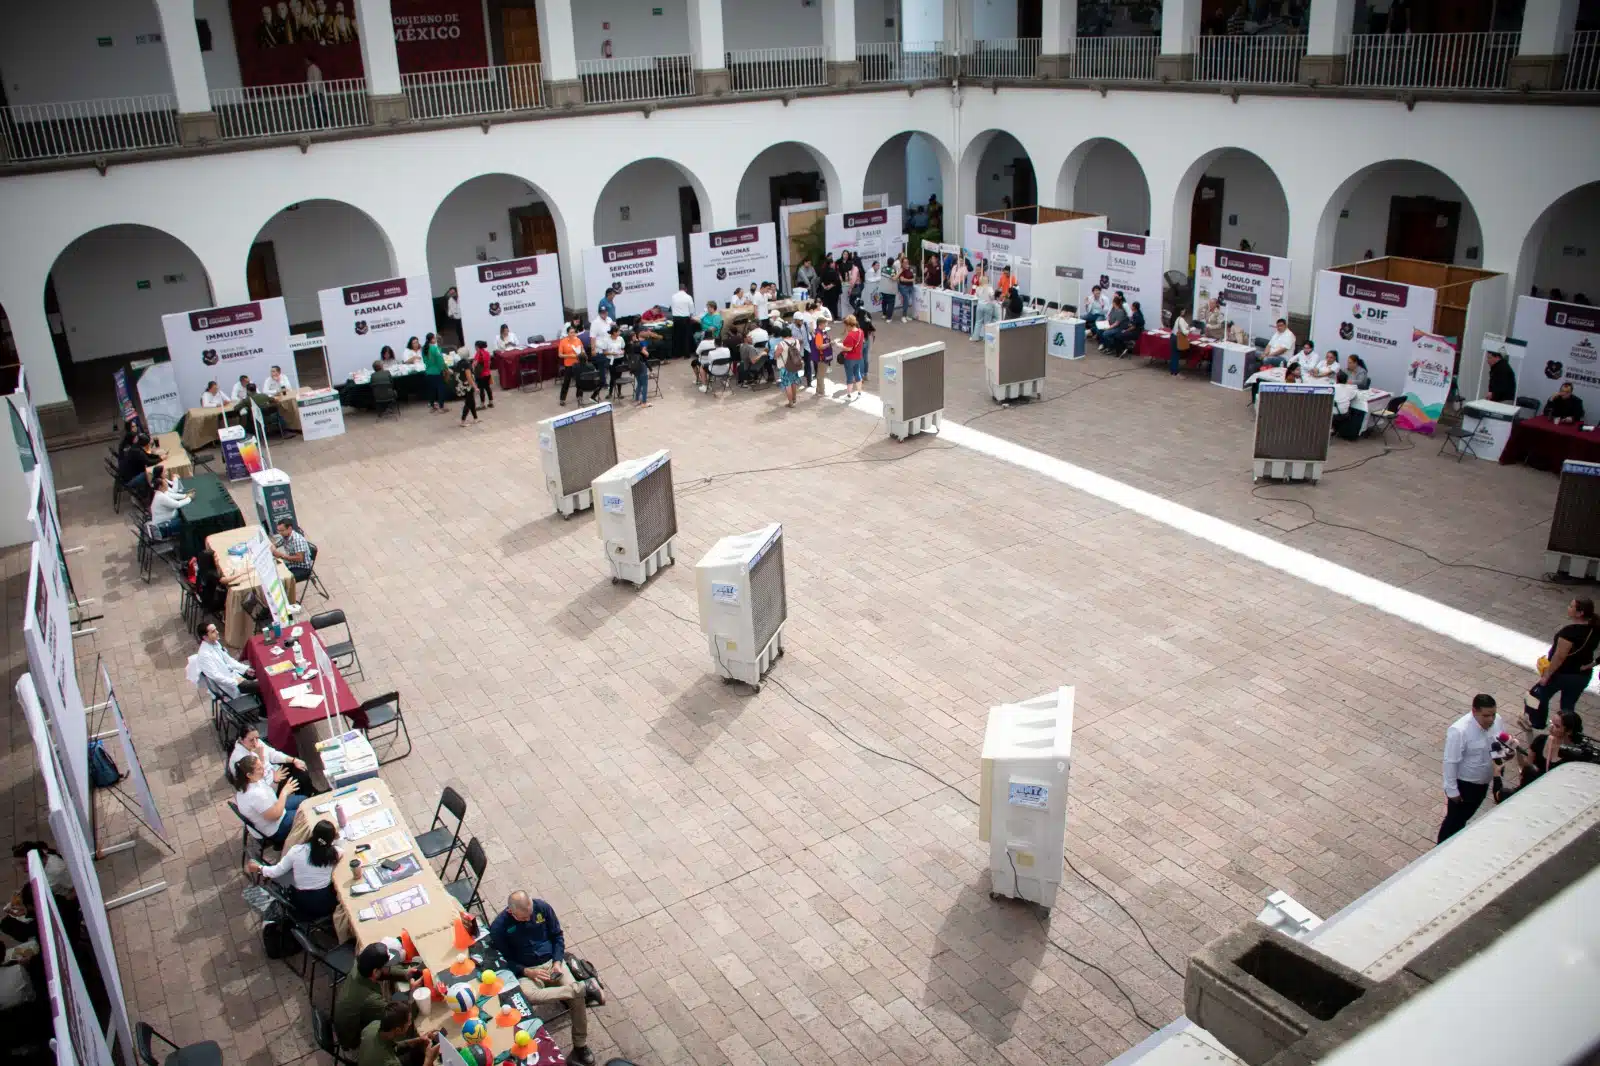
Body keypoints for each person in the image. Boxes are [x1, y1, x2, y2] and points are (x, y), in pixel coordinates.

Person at [489, 891, 602, 1066]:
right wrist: (526, 971)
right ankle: (584, 987)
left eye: (530, 914)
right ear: (511, 912)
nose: (528, 919)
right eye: (523, 918)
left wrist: (557, 961)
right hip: (527, 970)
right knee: (528, 996)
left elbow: (557, 935)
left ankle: (580, 1045)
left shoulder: (542, 907)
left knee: (577, 999)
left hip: (552, 962)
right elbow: (504, 959)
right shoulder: (499, 928)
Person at [1437, 694, 1503, 844]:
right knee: (1454, 821)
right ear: (1474, 711)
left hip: (1485, 780)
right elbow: (1450, 762)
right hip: (1466, 784)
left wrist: (1504, 756)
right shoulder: (1459, 731)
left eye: (1493, 714)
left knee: (1466, 816)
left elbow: (1497, 743)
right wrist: (1452, 790)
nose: (1491, 719)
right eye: (1486, 715)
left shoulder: (1497, 720)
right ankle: (1442, 847)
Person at [245, 818, 340, 920]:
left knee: (280, 880)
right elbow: (340, 848)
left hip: (304, 905)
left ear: (313, 833)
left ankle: (270, 914)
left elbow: (275, 872)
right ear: (331, 839)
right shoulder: (335, 853)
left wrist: (259, 868)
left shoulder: (296, 851)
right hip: (327, 904)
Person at [1525, 598, 1598, 731]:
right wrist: (1591, 665)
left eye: (1571, 606)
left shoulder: (1569, 632)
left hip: (1562, 674)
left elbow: (1559, 656)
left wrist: (1546, 675)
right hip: (1582, 676)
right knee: (1567, 707)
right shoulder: (1595, 629)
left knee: (1535, 696)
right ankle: (1570, 732)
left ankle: (1537, 723)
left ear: (1580, 613)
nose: (1568, 607)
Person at [335, 944, 422, 1050]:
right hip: (357, 1041)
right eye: (386, 965)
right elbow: (401, 1017)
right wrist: (412, 993)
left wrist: (405, 974)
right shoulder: (370, 999)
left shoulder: (359, 966)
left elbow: (382, 972)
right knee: (402, 1027)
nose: (389, 967)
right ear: (375, 971)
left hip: (350, 1023)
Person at [1497, 709, 1585, 801]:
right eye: (1551, 722)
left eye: (1557, 726)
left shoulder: (1574, 754)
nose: (1551, 727)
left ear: (1569, 731)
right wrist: (1517, 749)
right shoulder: (1541, 740)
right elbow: (1525, 768)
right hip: (1531, 789)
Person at [228, 753, 302, 847]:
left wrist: (275, 781)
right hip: (275, 828)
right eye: (259, 768)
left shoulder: (250, 782)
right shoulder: (255, 795)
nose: (263, 769)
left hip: (274, 808)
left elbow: (269, 793)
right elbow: (275, 816)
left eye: (261, 765)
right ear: (249, 775)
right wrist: (284, 792)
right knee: (306, 812)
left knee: (303, 800)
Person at [228, 723, 312, 793]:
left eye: (257, 738)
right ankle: (305, 797)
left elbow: (272, 754)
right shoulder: (240, 758)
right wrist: (274, 778)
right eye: (251, 740)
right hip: (267, 785)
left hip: (272, 772)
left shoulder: (256, 742)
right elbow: (256, 779)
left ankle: (310, 792)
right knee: (298, 779)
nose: (255, 742)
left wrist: (294, 760)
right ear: (241, 740)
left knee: (300, 768)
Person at [357, 1003, 440, 1066]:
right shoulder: (390, 1063)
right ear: (398, 1029)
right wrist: (429, 1059)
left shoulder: (374, 1025)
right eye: (409, 1022)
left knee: (418, 1051)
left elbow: (393, 1046)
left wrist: (419, 1039)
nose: (410, 1024)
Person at [196, 621, 258, 694]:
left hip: (234, 674)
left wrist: (245, 669)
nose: (217, 632)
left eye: (216, 629)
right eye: (213, 631)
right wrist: (236, 681)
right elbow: (216, 677)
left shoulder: (215, 643)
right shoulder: (204, 655)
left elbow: (229, 660)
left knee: (260, 672)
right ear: (205, 637)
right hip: (228, 685)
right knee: (262, 685)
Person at [1331, 371, 1365, 440]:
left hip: (1332, 413)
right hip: (1344, 414)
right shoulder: (1350, 388)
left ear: (1337, 379)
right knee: (1351, 408)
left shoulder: (1332, 388)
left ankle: (1333, 428)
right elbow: (1354, 396)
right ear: (1346, 380)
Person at [557, 325, 585, 406]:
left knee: (580, 381)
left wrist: (582, 353)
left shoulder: (578, 340)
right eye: (571, 332)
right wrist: (570, 356)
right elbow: (560, 355)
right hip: (568, 364)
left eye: (574, 332)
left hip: (578, 364)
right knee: (566, 382)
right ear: (568, 333)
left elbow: (582, 350)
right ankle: (562, 399)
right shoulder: (563, 341)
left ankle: (579, 397)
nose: (573, 334)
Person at [776, 327, 804, 409]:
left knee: (787, 385)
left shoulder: (781, 344)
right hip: (794, 365)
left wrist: (775, 354)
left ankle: (791, 403)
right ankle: (794, 399)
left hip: (785, 367)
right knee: (793, 382)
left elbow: (776, 355)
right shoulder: (796, 341)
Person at [839, 314, 866, 401]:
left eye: (846, 326)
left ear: (849, 325)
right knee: (857, 374)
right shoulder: (861, 331)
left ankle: (849, 395)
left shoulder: (850, 335)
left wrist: (839, 345)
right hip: (858, 357)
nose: (846, 328)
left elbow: (849, 348)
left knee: (849, 376)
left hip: (850, 358)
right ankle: (859, 393)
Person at [596, 324, 626, 399]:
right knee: (613, 376)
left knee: (619, 376)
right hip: (611, 359)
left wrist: (622, 352)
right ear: (614, 332)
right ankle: (610, 392)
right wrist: (611, 353)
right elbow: (604, 352)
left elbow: (623, 348)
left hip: (619, 358)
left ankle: (619, 392)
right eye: (618, 331)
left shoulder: (620, 338)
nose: (619, 332)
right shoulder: (607, 340)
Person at [420, 333, 447, 411]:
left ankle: (432, 405)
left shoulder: (424, 348)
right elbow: (440, 361)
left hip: (428, 372)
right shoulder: (435, 348)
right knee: (440, 389)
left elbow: (425, 361)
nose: (435, 339)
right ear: (431, 339)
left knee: (431, 389)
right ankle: (441, 407)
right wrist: (444, 369)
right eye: (434, 338)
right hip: (437, 372)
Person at [669, 284, 695, 362]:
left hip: (676, 318)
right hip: (685, 318)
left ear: (679, 289)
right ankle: (686, 354)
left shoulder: (673, 296)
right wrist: (691, 316)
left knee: (677, 336)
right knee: (686, 337)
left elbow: (672, 307)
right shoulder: (688, 297)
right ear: (685, 289)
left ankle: (677, 354)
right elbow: (691, 310)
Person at [970, 270, 998, 342]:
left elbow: (976, 296)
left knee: (978, 322)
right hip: (988, 306)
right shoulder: (989, 288)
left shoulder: (978, 288)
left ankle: (975, 337)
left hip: (979, 306)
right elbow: (992, 297)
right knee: (987, 323)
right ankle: (986, 339)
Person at [453, 356, 480, 425]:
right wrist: (475, 387)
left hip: (461, 386)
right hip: (467, 387)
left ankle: (475, 418)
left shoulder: (459, 363)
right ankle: (463, 421)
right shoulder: (467, 365)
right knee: (468, 403)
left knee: (472, 402)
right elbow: (469, 377)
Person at [304, 56, 327, 127]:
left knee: (319, 108)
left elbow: (318, 79)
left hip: (316, 92)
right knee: (317, 108)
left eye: (306, 60)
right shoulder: (311, 68)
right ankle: (321, 122)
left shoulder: (314, 68)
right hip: (314, 92)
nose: (305, 62)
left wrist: (315, 90)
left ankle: (324, 120)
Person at [471, 340, 494, 408]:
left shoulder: (478, 353)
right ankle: (491, 402)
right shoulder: (487, 353)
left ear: (477, 346)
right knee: (488, 388)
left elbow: (475, 363)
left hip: (481, 374)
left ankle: (482, 404)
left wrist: (473, 367)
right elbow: (489, 363)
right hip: (487, 373)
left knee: (481, 389)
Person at [896, 256, 916, 323]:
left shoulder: (910, 268)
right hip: (903, 287)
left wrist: (912, 279)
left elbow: (914, 277)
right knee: (906, 300)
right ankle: (903, 316)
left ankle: (906, 315)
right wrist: (911, 280)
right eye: (904, 262)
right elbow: (902, 279)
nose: (906, 263)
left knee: (908, 302)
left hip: (910, 287)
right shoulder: (901, 269)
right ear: (902, 263)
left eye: (907, 262)